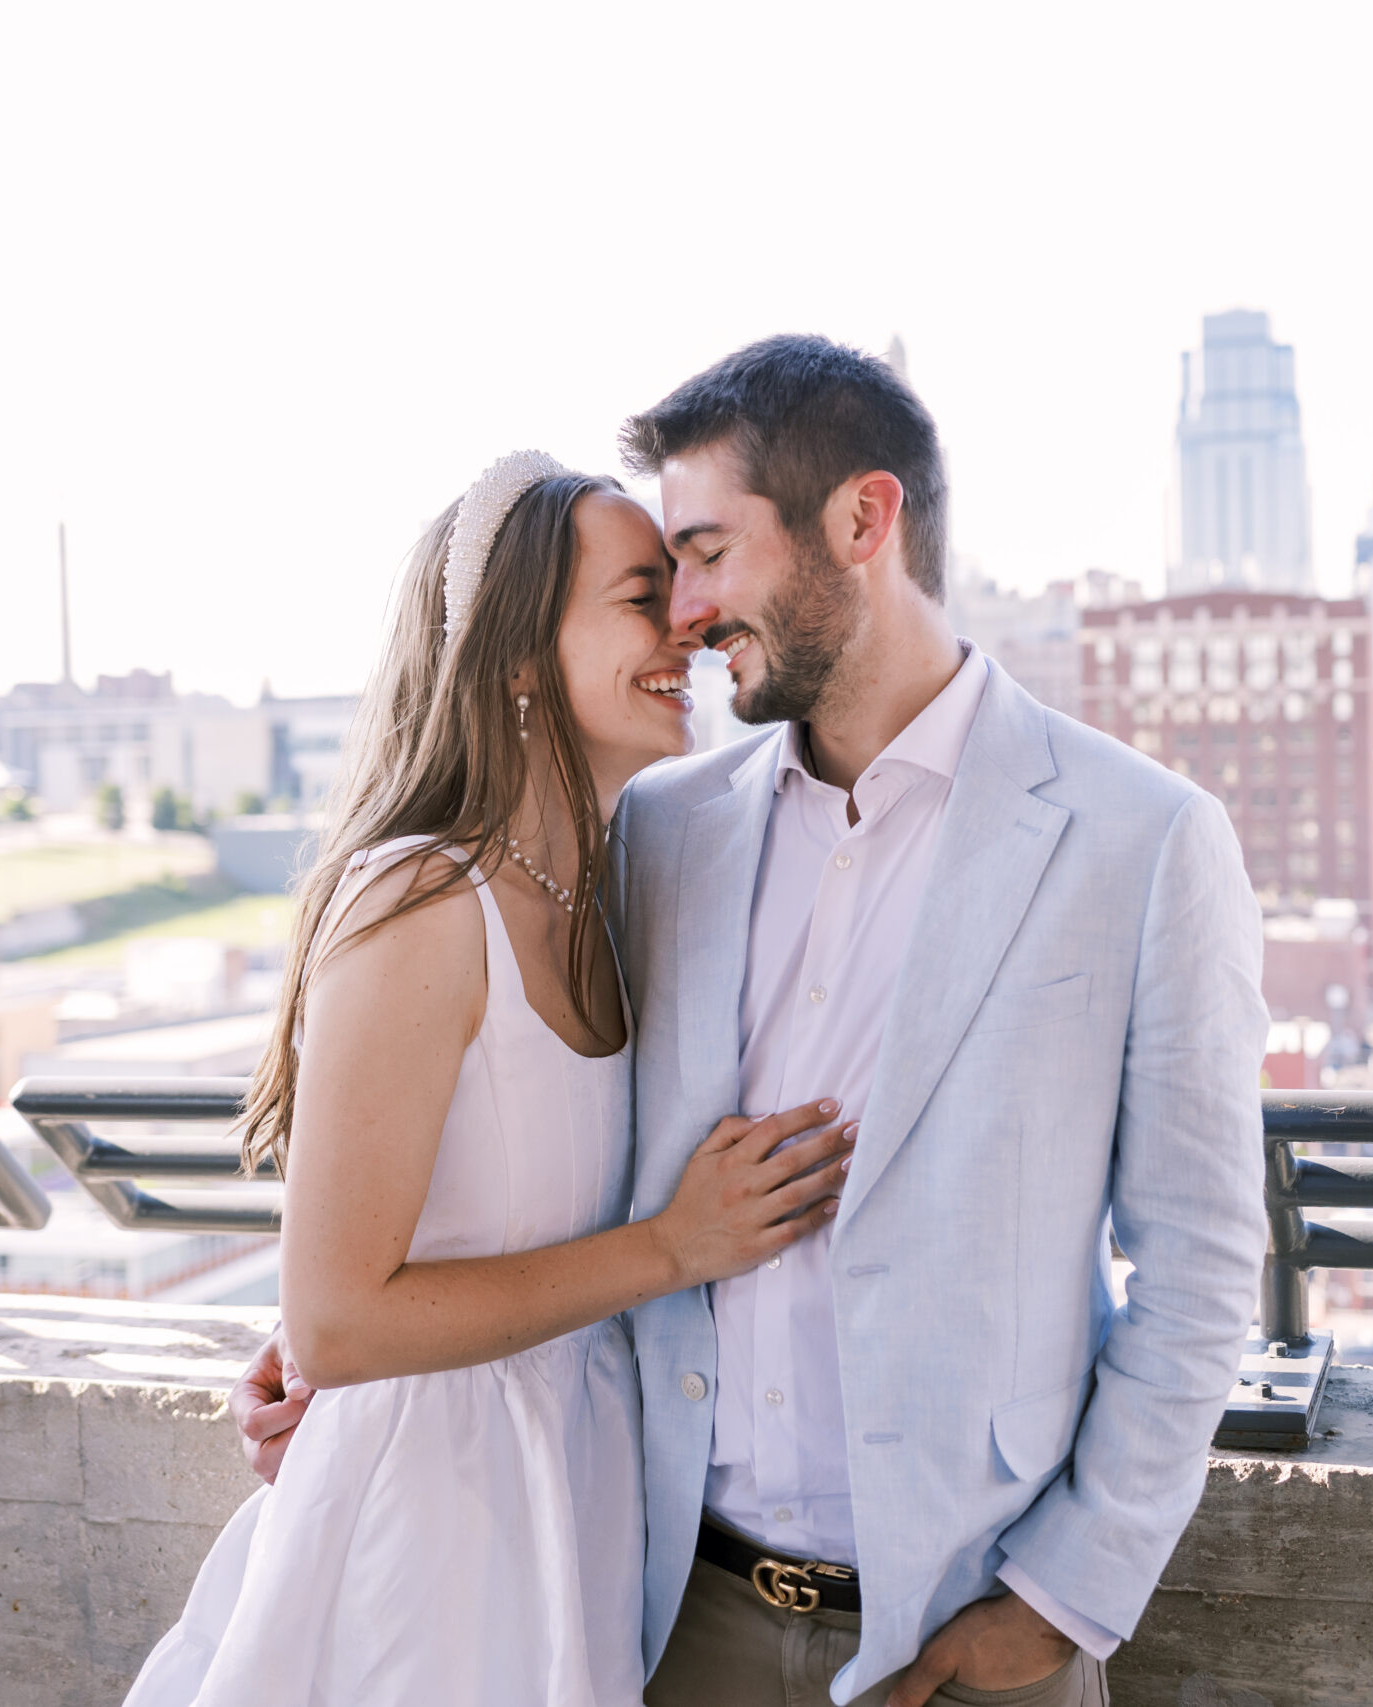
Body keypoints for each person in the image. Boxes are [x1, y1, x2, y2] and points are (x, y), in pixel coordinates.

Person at [237, 335, 1269, 1706]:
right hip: (665, 1609)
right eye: (663, 576)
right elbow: (525, 1124)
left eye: (710, 554)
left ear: (863, 518)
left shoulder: (1141, 838)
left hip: (962, 1626)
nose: (690, 613)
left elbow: (1200, 1266)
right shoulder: (659, 828)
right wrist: (345, 1354)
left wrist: (1062, 1596)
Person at [126, 453, 850, 1707]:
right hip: (433, 1530)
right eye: (641, 595)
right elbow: (345, 1320)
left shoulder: (618, 891)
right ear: (519, 657)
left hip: (575, 1494)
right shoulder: (419, 898)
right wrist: (676, 1246)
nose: (687, 619)